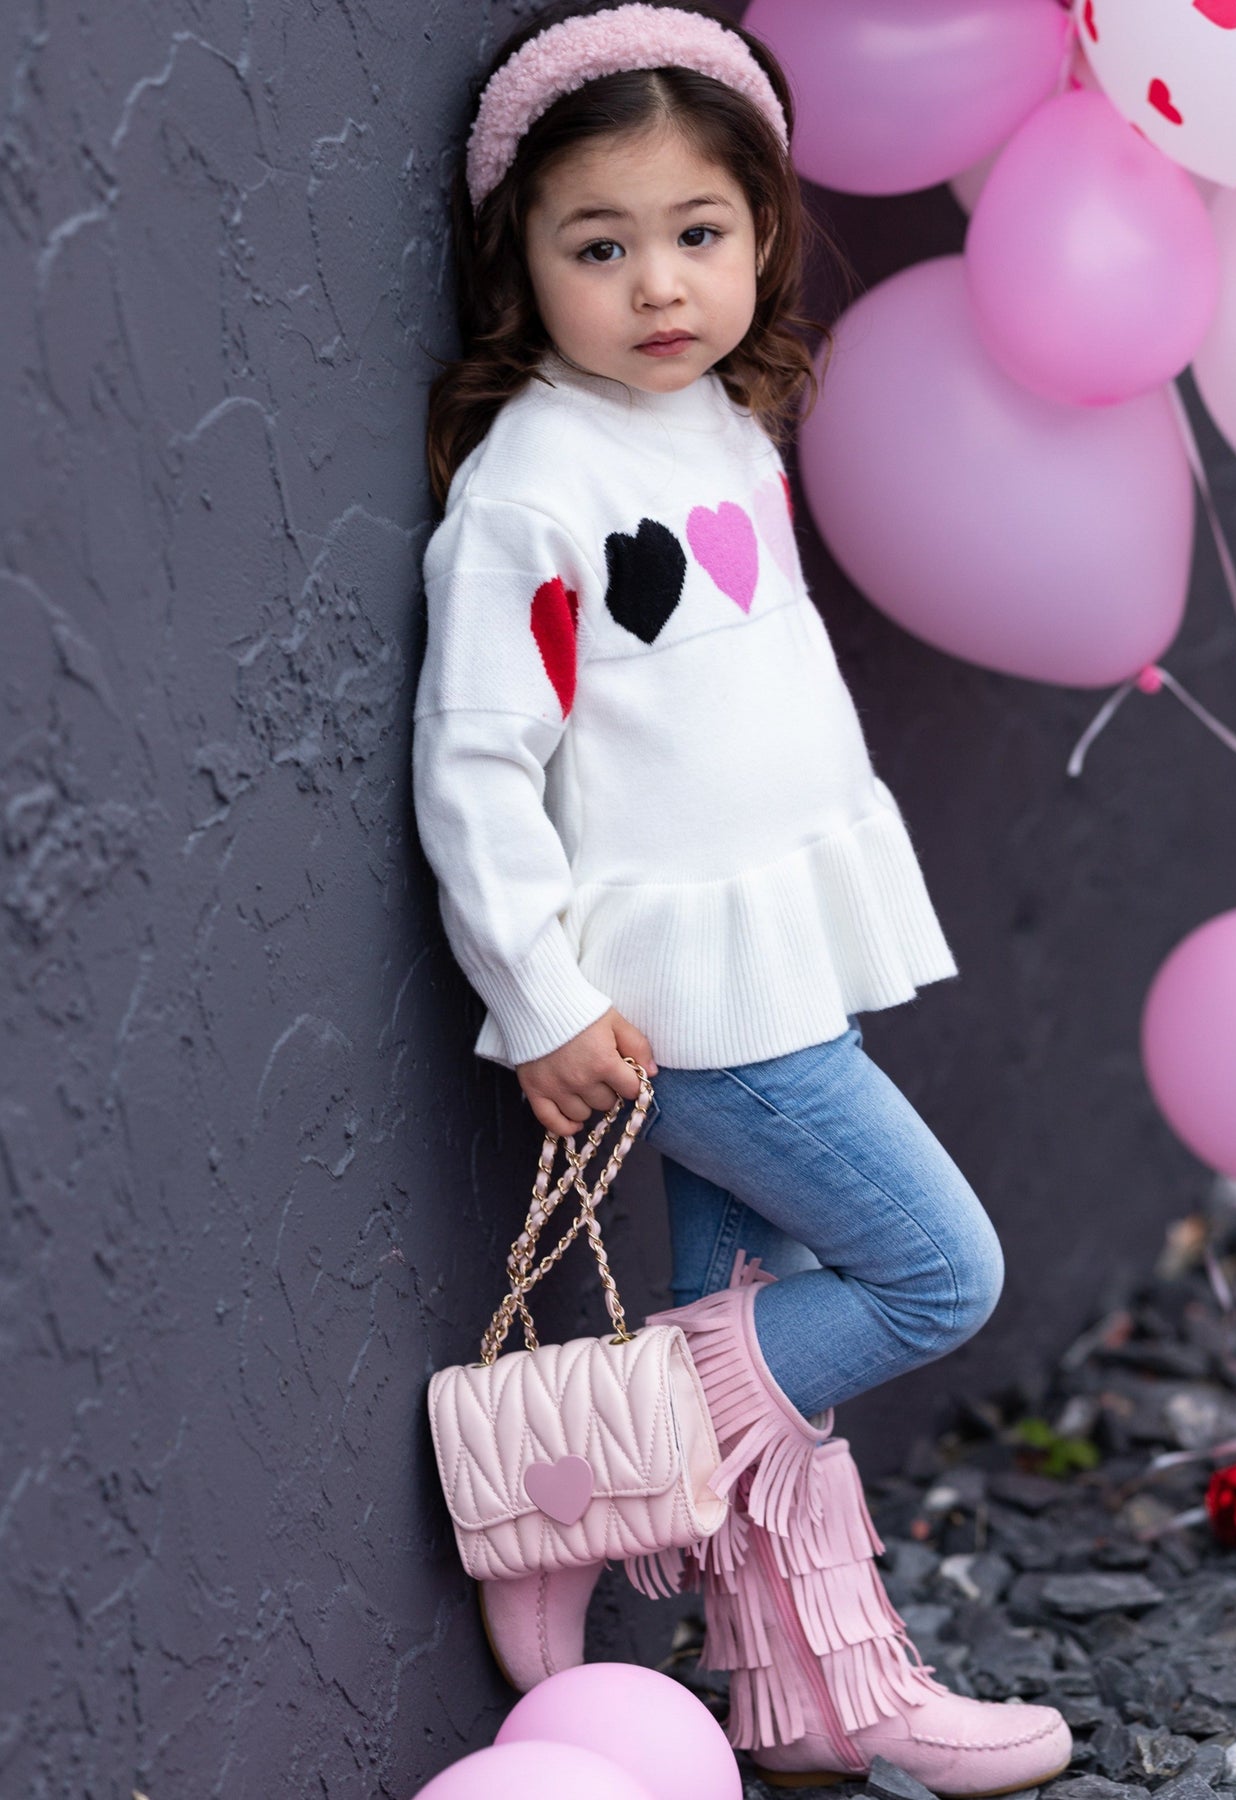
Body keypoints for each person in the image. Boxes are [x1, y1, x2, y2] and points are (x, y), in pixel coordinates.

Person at [412, 2, 1071, 1790]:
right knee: (932, 1270)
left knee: (770, 1340)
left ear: (760, 231)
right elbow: (475, 764)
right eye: (597, 247)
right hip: (678, 1001)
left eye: (697, 232)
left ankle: (805, 1695)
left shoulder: (720, 419)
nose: (657, 285)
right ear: (518, 260)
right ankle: (577, 1489)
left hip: (784, 947)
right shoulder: (531, 486)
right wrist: (540, 995)